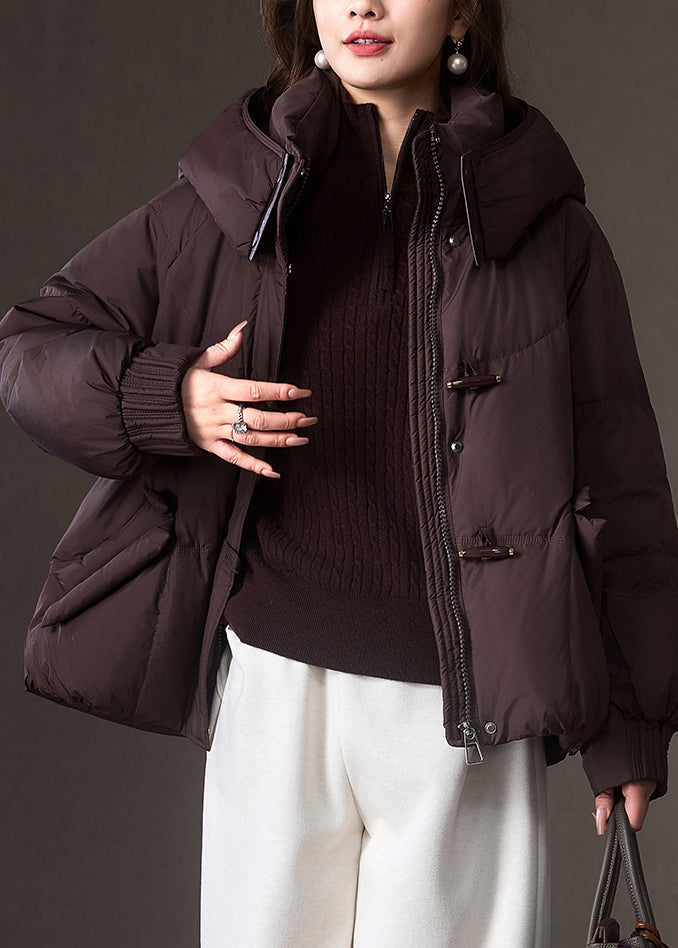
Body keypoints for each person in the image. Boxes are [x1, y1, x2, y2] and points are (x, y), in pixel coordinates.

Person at [0, 0, 676, 945]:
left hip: (465, 720)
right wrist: (170, 399)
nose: (363, 4)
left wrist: (631, 726)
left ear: (463, 12)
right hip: (275, 699)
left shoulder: (549, 232)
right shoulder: (235, 196)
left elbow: (623, 486)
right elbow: (31, 349)